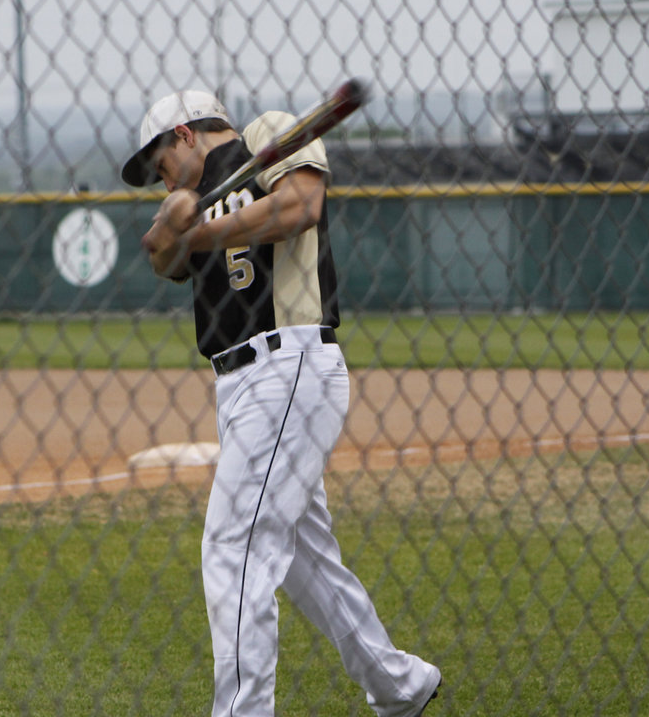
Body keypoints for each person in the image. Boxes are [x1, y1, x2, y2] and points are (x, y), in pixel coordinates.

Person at [126, 90, 441, 717]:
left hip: (288, 362)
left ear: (185, 135)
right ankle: (400, 685)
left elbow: (299, 206)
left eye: (160, 166)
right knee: (304, 559)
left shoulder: (264, 135)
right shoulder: (188, 195)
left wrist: (199, 230)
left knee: (233, 546)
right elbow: (164, 261)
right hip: (238, 384)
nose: (161, 180)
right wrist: (170, 224)